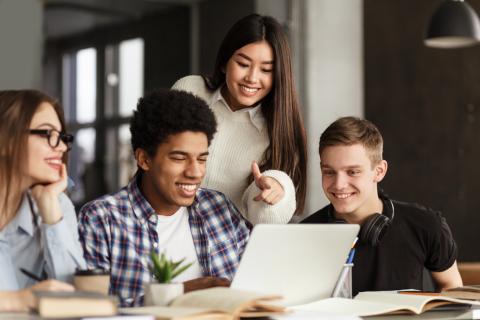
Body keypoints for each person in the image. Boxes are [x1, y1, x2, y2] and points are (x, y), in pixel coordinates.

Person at [78, 89, 251, 307]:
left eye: (202, 159)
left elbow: (256, 283)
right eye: (179, 158)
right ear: (144, 159)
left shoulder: (219, 208)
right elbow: (91, 310)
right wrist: (181, 292)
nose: (195, 172)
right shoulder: (102, 219)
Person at [301, 116, 462, 295]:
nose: (339, 184)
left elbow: (452, 289)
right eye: (329, 172)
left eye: (352, 172)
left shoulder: (427, 226)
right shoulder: (302, 235)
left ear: (379, 171)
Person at [172, 14, 307, 224]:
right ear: (225, 62)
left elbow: (263, 220)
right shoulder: (190, 90)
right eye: (243, 64)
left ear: (279, 75)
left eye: (266, 70)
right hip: (163, 231)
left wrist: (275, 193)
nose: (252, 78)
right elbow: (152, 161)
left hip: (223, 247)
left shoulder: (278, 131)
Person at [0, 90, 86, 312]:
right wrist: (19, 300)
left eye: (62, 137)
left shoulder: (58, 205)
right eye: (47, 133)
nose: (62, 147)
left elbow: (78, 299)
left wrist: (50, 211)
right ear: (5, 141)